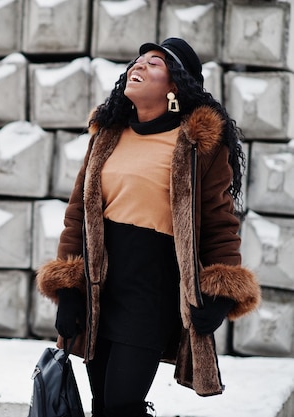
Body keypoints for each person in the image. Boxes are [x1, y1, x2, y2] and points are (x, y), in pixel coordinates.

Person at [35, 38, 262, 417]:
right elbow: (77, 216)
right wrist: (69, 290)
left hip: (152, 289)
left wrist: (222, 292)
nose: (137, 67)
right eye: (136, 61)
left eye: (153, 63)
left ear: (176, 85)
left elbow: (220, 223)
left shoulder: (197, 146)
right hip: (99, 286)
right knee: (103, 404)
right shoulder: (107, 135)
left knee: (123, 402)